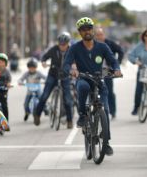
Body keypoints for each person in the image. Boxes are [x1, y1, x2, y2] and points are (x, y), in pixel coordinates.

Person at [63, 17, 122, 156]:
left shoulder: (102, 46)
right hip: (83, 78)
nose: (87, 31)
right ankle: (82, 115)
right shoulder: (75, 48)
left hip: (99, 80)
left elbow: (113, 61)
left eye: (89, 28)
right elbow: (66, 64)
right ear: (80, 32)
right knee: (82, 87)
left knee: (105, 109)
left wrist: (117, 69)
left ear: (92, 29)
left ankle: (106, 143)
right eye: (83, 30)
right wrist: (71, 70)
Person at [33, 33, 74, 128]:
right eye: (60, 44)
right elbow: (44, 56)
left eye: (64, 44)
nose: (62, 46)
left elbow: (76, 60)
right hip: (53, 74)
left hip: (65, 76)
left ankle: (69, 120)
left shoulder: (72, 50)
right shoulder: (54, 49)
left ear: (68, 43)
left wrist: (74, 67)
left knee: (68, 99)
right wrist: (43, 62)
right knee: (44, 96)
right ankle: (37, 114)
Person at [95, 27, 124, 120]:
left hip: (107, 71)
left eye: (101, 34)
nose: (99, 37)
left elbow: (120, 51)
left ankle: (113, 111)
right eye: (97, 35)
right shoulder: (93, 44)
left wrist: (117, 63)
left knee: (109, 92)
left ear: (104, 35)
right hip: (96, 71)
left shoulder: (110, 43)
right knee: (93, 91)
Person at [0, 53, 12, 121]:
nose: (1, 64)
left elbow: (9, 79)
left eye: (3, 62)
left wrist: (8, 84)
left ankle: (6, 121)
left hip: (3, 90)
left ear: (6, 63)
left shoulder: (6, 71)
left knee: (4, 105)